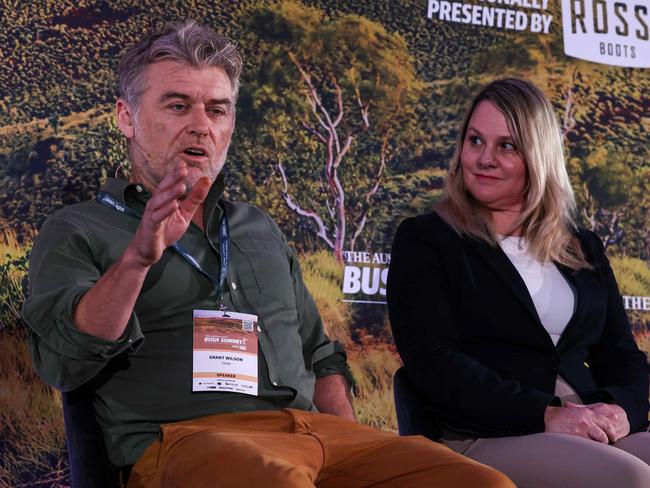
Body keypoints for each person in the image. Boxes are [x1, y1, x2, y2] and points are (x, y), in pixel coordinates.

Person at [22, 21, 514, 488]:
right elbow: (66, 360)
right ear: (125, 118)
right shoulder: (79, 228)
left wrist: (356, 448)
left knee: (481, 482)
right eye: (177, 106)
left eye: (217, 110)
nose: (200, 126)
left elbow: (319, 356)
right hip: (189, 443)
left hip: (317, 437)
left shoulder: (257, 227)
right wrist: (136, 260)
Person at [387, 77, 650, 488]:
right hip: (481, 430)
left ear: (538, 155)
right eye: (475, 141)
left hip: (585, 420)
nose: (483, 158)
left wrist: (623, 410)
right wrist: (546, 414)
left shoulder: (582, 247)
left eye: (505, 146)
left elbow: (622, 356)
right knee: (629, 479)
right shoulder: (426, 239)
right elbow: (434, 362)